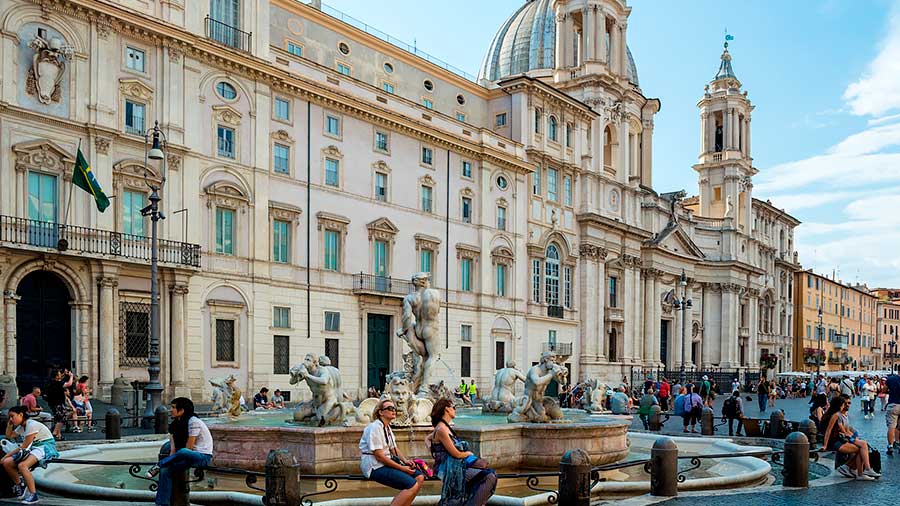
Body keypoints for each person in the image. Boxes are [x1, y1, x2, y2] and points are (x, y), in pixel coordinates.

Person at [427, 398, 497, 505]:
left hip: (456, 466)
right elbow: (456, 453)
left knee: (487, 474)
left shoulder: (443, 428)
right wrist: (468, 453)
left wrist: (433, 450)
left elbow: (427, 438)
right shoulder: (441, 429)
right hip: (450, 470)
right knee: (489, 477)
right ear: (447, 409)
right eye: (453, 407)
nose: (455, 410)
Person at [147, 398, 214, 505]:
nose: (170, 410)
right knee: (165, 471)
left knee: (183, 451)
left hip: (202, 457)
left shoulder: (194, 422)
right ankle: (162, 503)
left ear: (182, 410)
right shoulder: (175, 425)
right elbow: (173, 450)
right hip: (186, 457)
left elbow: (189, 448)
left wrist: (168, 460)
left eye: (173, 407)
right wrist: (171, 462)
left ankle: (158, 465)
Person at [359, 399, 423, 506]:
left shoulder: (387, 427)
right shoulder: (374, 427)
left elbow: (394, 449)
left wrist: (406, 461)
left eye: (394, 408)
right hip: (374, 467)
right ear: (380, 412)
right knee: (411, 484)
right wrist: (402, 468)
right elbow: (379, 456)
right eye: (389, 408)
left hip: (385, 463)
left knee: (419, 477)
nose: (393, 411)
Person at [1, 406, 59, 503]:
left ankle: (33, 495)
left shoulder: (31, 425)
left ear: (21, 415)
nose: (11, 419)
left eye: (12, 416)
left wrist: (5, 456)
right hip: (33, 448)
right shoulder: (22, 426)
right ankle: (20, 486)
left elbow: (23, 446)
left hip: (44, 447)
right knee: (7, 463)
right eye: (9, 417)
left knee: (22, 465)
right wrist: (9, 424)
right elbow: (9, 436)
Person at [821, 396, 879, 480]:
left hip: (841, 439)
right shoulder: (836, 415)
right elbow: (828, 430)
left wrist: (853, 436)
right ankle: (862, 470)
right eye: (843, 404)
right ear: (839, 405)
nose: (845, 406)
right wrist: (825, 445)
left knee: (862, 446)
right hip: (836, 441)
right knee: (862, 446)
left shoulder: (842, 415)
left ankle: (860, 472)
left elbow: (846, 430)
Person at [44, 369, 74, 440]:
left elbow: (60, 379)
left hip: (53, 403)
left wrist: (64, 373)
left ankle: (58, 435)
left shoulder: (51, 382)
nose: (61, 375)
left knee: (58, 418)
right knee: (62, 418)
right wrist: (71, 376)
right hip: (58, 403)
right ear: (57, 376)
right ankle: (54, 432)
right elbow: (69, 384)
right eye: (59, 374)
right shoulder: (58, 383)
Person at [885, 373, 900, 455]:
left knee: (891, 426)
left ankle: (890, 446)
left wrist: (891, 391)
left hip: (893, 404)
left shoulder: (891, 379)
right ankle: (898, 442)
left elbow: (884, 390)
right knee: (899, 427)